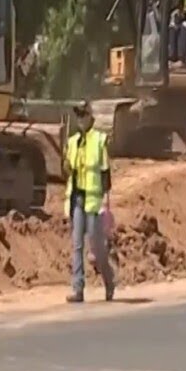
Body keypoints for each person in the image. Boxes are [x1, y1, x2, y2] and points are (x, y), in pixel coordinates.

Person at [63, 101, 116, 303]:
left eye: (83, 115)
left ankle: (108, 280)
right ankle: (78, 289)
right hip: (77, 198)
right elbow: (68, 171)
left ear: (90, 117)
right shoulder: (73, 141)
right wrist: (66, 164)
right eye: (78, 116)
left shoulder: (99, 140)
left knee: (96, 246)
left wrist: (105, 204)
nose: (80, 120)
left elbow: (105, 176)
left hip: (93, 201)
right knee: (77, 245)